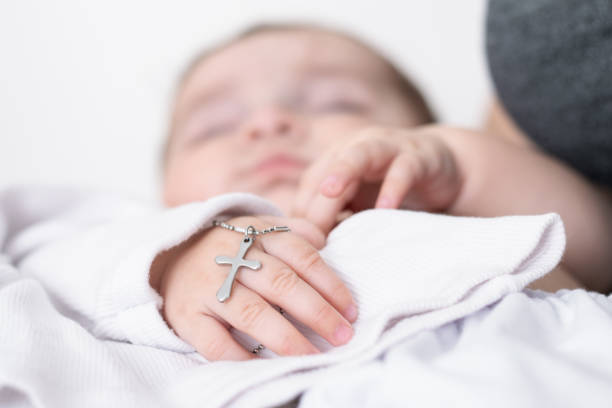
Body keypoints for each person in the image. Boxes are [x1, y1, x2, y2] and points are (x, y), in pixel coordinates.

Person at [154, 23, 612, 361]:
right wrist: (168, 263)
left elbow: (598, 250)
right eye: (212, 127)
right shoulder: (156, 264)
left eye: (337, 102)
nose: (268, 122)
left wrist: (459, 166)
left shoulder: (451, 208)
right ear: (162, 191)